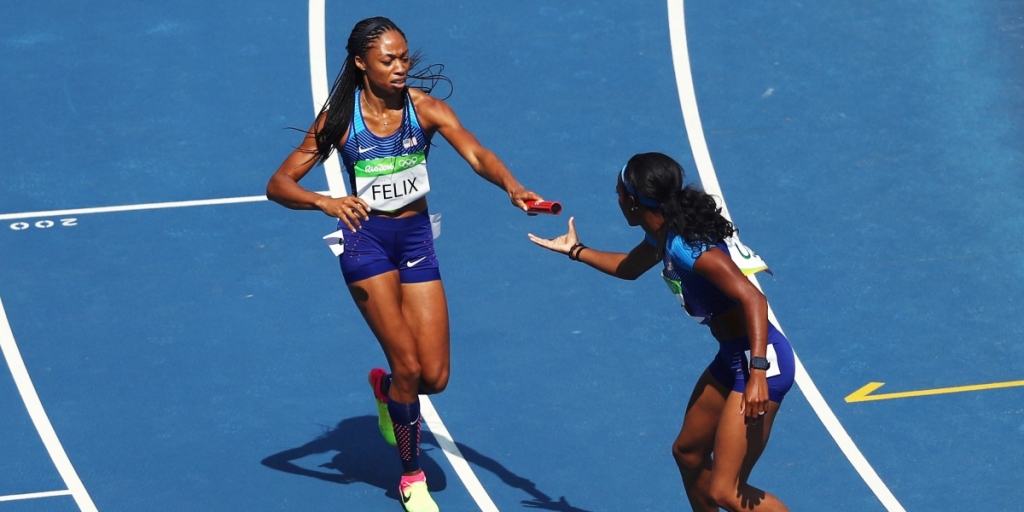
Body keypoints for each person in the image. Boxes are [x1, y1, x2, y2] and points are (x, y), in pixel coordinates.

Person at [267, 16, 541, 512]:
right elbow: (279, 184)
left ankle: (384, 388)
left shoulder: (426, 109)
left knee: (434, 378)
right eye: (387, 60)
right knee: (409, 367)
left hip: (416, 241)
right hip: (366, 247)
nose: (400, 68)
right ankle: (410, 476)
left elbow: (478, 154)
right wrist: (326, 203)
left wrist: (513, 186)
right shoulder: (340, 119)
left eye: (404, 58)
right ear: (361, 64)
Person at [528, 152, 794, 512]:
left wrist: (759, 372)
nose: (617, 200)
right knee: (688, 452)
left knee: (726, 491)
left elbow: (753, 300)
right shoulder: (663, 234)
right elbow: (629, 268)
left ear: (634, 202)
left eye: (619, 194)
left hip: (760, 362)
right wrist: (576, 250)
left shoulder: (688, 249)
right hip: (733, 357)